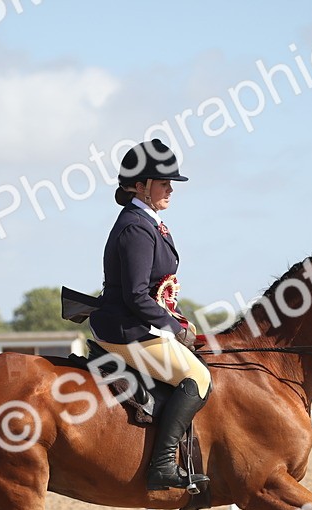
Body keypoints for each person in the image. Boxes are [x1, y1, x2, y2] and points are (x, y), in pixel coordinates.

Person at [89, 138, 211, 492]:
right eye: (163, 182)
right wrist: (174, 329)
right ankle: (161, 465)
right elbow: (137, 295)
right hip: (126, 329)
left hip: (140, 323)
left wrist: (181, 322)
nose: (170, 188)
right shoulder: (136, 227)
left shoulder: (150, 222)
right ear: (140, 186)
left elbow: (159, 290)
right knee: (197, 379)